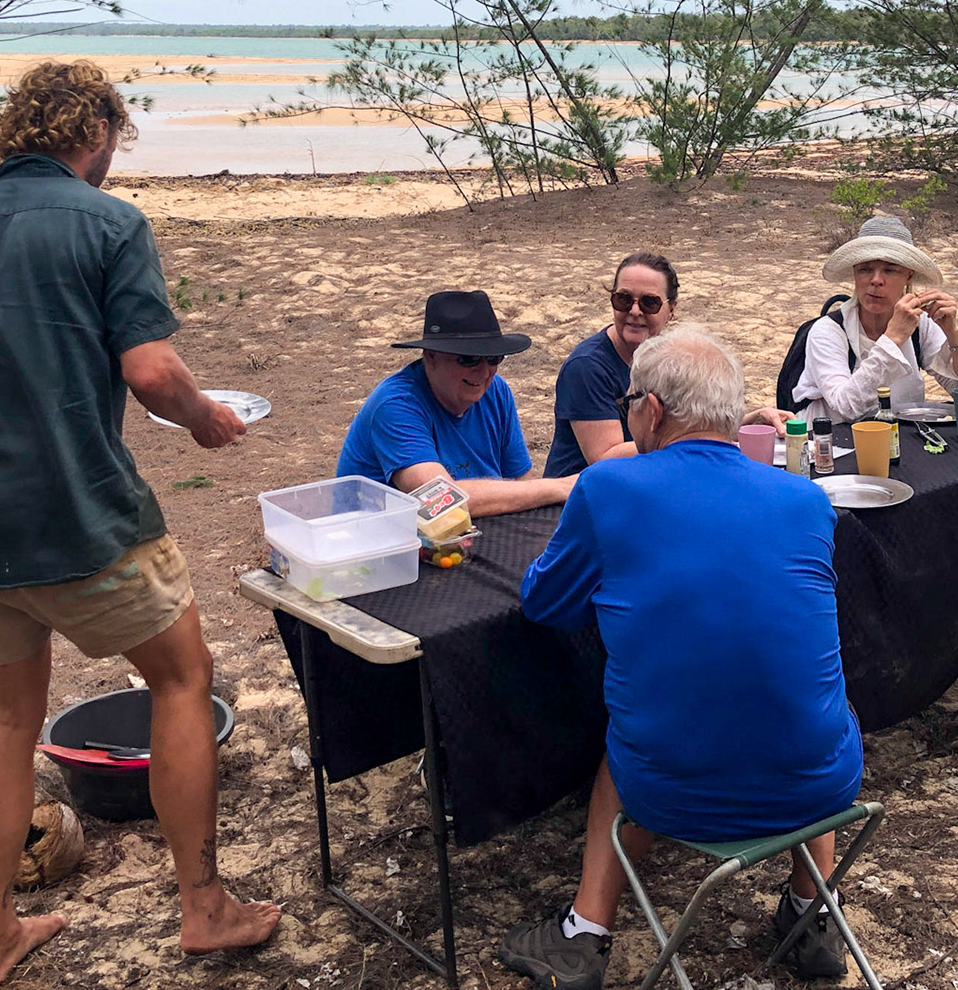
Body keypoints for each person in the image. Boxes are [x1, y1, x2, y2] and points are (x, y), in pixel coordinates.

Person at [0, 61, 279, 988]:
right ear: (96, 135)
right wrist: (207, 415)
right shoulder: (109, 223)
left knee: (8, 718)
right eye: (114, 147)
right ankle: (204, 907)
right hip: (86, 513)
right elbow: (153, 372)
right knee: (181, 680)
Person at [501, 328, 865, 990]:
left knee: (625, 744)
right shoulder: (807, 499)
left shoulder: (610, 486)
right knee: (809, 702)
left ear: (653, 409)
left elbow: (545, 604)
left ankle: (584, 933)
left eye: (629, 401)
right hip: (824, 791)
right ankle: (811, 911)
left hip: (671, 794)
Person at [336, 289, 576, 514]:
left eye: (493, 358)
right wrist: (559, 487)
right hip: (385, 543)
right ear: (431, 357)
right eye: (468, 359)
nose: (483, 372)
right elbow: (439, 500)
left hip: (463, 533)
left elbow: (520, 481)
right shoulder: (396, 404)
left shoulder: (496, 391)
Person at [545, 251, 782, 476]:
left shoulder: (671, 357)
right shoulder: (587, 367)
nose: (635, 311)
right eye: (623, 299)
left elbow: (689, 423)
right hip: (580, 500)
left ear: (672, 309)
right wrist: (689, 445)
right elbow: (605, 458)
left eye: (649, 303)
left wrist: (749, 420)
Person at [792, 214, 958, 425]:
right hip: (831, 444)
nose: (876, 280)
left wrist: (953, 335)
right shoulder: (828, 330)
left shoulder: (920, 326)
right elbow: (847, 408)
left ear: (908, 276)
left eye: (890, 270)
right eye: (865, 269)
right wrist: (892, 338)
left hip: (897, 438)